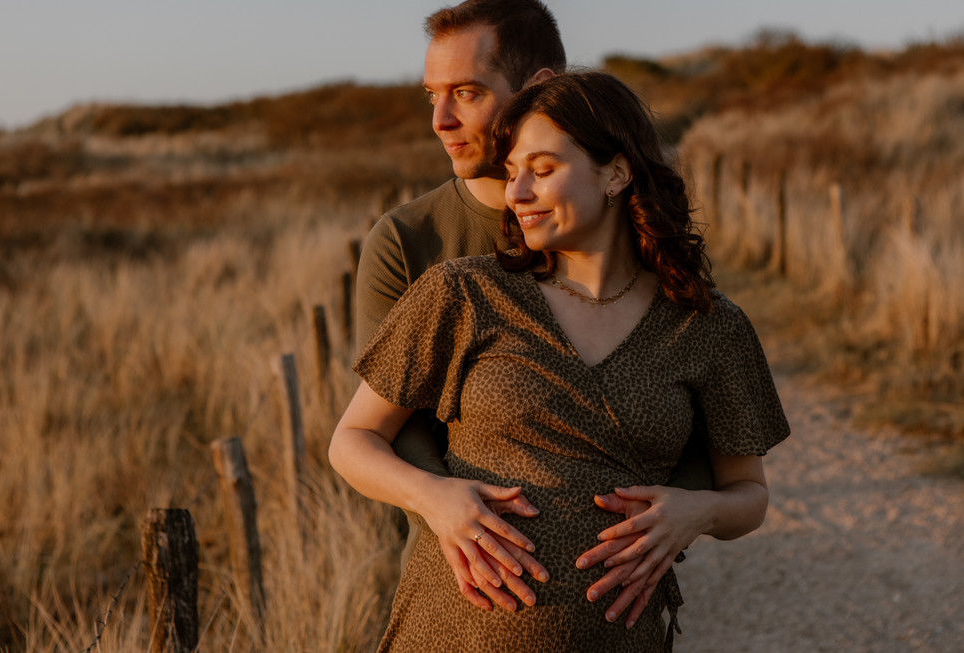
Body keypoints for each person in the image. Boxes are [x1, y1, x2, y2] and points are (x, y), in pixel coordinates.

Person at [332, 71, 790, 651]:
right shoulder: (464, 293)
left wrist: (695, 512)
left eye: (543, 170)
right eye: (512, 172)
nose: (517, 193)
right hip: (450, 634)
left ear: (616, 173)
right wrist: (434, 497)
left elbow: (749, 494)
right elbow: (352, 441)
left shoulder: (710, 326)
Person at [354, 0, 714, 617]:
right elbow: (386, 428)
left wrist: (673, 516)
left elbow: (703, 421)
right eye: (432, 95)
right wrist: (449, 506)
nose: (440, 120)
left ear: (539, 88)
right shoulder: (408, 242)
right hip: (467, 594)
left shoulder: (634, 235)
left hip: (617, 605)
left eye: (466, 92)